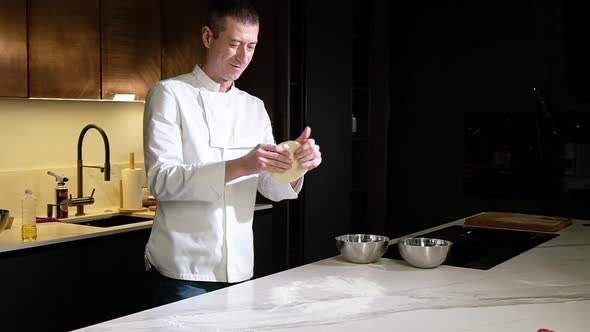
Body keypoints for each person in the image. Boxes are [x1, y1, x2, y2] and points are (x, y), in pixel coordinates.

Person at [142, 0, 322, 305]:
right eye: (235, 43)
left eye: (251, 46)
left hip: (239, 269)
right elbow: (162, 180)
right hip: (184, 270)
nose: (243, 56)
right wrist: (242, 165)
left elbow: (270, 187)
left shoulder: (253, 106)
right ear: (208, 37)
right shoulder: (170, 94)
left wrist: (296, 165)